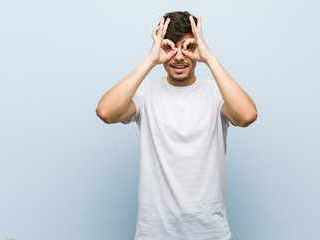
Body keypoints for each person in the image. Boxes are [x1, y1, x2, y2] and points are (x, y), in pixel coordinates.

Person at [96, 11, 257, 240]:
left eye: (188, 47)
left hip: (210, 232)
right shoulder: (146, 92)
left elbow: (247, 115)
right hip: (154, 232)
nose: (179, 56)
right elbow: (106, 112)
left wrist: (210, 58)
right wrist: (150, 60)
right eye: (170, 48)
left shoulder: (216, 92)